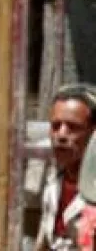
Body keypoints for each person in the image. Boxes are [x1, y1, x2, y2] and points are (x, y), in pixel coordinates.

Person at [39, 86, 96, 251]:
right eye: (56, 126)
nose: (61, 135)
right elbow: (45, 241)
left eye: (73, 127)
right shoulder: (54, 182)